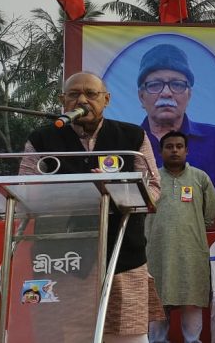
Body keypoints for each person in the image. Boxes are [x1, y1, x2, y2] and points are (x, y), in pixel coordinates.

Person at [19, 72, 163, 342]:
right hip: (60, 260)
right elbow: (25, 192)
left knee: (127, 335)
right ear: (62, 100)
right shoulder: (41, 139)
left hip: (121, 257)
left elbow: (153, 189)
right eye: (73, 94)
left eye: (91, 94)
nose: (82, 100)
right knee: (62, 336)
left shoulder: (132, 136)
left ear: (106, 99)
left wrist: (117, 192)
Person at [137, 43, 215, 195]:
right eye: (155, 85)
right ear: (141, 96)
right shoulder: (128, 144)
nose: (166, 93)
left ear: (189, 95)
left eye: (177, 84)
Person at [147, 131, 215, 343]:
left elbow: (211, 211)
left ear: (186, 150)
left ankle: (192, 340)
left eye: (179, 146)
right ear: (160, 151)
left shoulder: (199, 177)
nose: (175, 150)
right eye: (169, 147)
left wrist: (192, 229)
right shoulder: (151, 179)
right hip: (158, 251)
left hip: (192, 249)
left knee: (191, 298)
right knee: (158, 299)